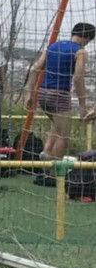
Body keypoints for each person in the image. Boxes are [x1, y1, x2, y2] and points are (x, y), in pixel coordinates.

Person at [25, 21, 94, 167]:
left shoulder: (52, 47)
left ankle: (45, 158)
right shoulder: (80, 52)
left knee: (56, 127)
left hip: (43, 94)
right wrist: (82, 105)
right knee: (64, 135)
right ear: (87, 38)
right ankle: (54, 173)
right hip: (59, 95)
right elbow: (78, 78)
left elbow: (35, 69)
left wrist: (30, 94)